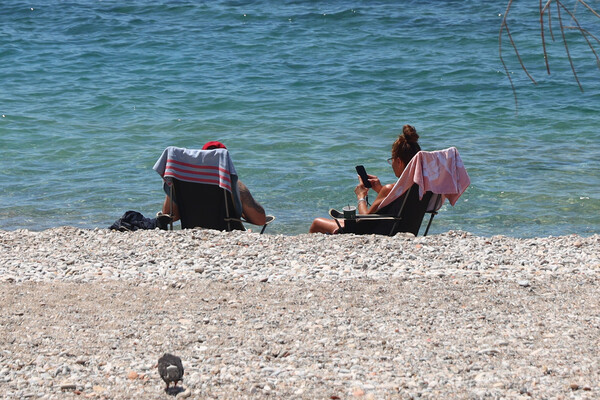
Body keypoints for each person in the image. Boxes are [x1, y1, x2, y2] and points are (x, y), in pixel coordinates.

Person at [309, 125, 421, 234]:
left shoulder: (389, 188)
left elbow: (365, 220)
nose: (391, 163)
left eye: (391, 159)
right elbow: (398, 206)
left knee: (317, 222)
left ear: (399, 161)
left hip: (375, 232)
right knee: (339, 221)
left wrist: (361, 197)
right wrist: (380, 190)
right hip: (400, 230)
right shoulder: (421, 187)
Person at [160, 141, 267, 226]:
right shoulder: (234, 184)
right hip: (228, 235)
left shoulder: (182, 182)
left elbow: (169, 216)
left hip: (193, 232)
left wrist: (174, 186)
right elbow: (260, 220)